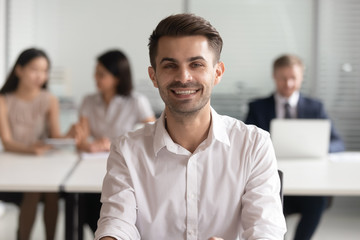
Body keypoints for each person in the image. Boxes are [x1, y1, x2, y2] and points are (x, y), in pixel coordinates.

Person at [94, 13, 286, 240]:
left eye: (196, 64)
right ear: (153, 76)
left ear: (217, 73)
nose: (184, 77)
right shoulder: (126, 150)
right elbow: (116, 223)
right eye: (170, 66)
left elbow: (266, 231)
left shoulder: (254, 144)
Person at [245, 54, 345, 240]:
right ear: (274, 77)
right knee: (268, 215)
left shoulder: (316, 108)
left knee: (318, 201)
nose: (288, 83)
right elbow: (246, 143)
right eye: (283, 78)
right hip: (271, 181)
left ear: (301, 78)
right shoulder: (257, 108)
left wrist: (318, 148)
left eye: (293, 78)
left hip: (308, 183)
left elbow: (338, 143)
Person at [74, 49, 156, 233]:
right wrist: (89, 144)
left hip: (124, 164)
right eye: (96, 73)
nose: (96, 78)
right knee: (87, 209)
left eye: (101, 74)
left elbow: (153, 134)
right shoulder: (88, 100)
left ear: (117, 77)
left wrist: (110, 143)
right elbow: (82, 139)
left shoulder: (137, 101)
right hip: (91, 166)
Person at [0, 48, 71, 240]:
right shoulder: (3, 100)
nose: (40, 76)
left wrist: (71, 135)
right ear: (19, 70)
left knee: (49, 190)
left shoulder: (49, 100)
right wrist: (32, 150)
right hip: (13, 164)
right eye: (34, 69)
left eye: (45, 70)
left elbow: (55, 136)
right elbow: (6, 142)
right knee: (37, 188)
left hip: (41, 165)